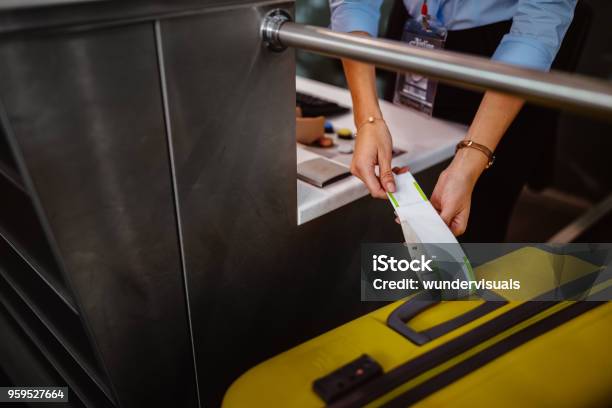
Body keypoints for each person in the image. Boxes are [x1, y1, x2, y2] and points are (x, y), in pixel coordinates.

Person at [329, 0, 577, 240]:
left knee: (476, 221)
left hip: (505, 58)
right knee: (398, 204)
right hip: (413, 34)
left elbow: (538, 25)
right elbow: (354, 4)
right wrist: (368, 119)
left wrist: (470, 162)